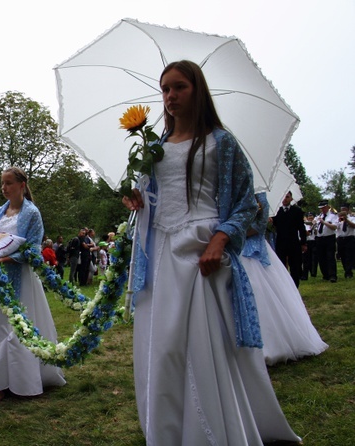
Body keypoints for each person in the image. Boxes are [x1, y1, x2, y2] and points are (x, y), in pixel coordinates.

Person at [123, 61, 299, 444]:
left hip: (203, 251)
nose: (170, 96)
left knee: (205, 346)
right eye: (165, 89)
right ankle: (169, 432)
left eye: (179, 87)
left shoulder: (222, 142)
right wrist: (137, 198)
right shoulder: (152, 148)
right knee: (165, 347)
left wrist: (220, 240)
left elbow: (246, 205)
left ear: (197, 90)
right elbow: (153, 198)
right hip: (161, 255)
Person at [0, 167, 66, 404]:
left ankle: (25, 381)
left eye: (8, 183)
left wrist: (8, 258)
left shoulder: (32, 213)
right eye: (2, 184)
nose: (4, 188)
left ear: (22, 185)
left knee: (21, 328)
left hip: (21, 277)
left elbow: (34, 249)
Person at [241, 193, 328, 365]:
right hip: (237, 247)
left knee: (262, 288)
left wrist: (237, 232)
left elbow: (260, 224)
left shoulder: (260, 197)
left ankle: (273, 343)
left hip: (253, 247)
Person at [271, 191, 307, 287]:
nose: (285, 199)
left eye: (287, 197)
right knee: (281, 265)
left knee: (295, 266)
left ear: (291, 198)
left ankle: (295, 286)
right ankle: (284, 287)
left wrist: (304, 243)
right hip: (280, 242)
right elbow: (273, 226)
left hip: (293, 242)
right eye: (283, 197)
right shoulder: (276, 211)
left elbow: (301, 228)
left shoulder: (297, 211)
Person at [315, 200, 338, 282]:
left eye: (323, 208)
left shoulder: (333, 216)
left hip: (329, 238)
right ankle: (325, 274)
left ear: (327, 207)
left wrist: (324, 222)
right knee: (321, 257)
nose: (322, 210)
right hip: (320, 238)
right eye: (321, 208)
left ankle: (332, 275)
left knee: (330, 256)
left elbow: (334, 227)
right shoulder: (318, 216)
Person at [336, 203, 355, 279]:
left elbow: (353, 226)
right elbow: (336, 227)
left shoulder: (352, 217)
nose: (342, 211)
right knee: (342, 255)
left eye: (344, 210)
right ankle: (346, 270)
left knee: (349, 256)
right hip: (341, 238)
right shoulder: (338, 219)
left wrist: (346, 219)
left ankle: (348, 272)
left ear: (347, 210)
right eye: (341, 210)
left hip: (349, 238)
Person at [302, 212, 317, 280]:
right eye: (309, 216)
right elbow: (307, 233)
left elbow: (317, 233)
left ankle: (313, 273)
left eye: (311, 216)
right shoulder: (305, 224)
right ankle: (305, 275)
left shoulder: (316, 223)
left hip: (314, 241)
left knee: (314, 258)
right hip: (307, 241)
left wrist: (314, 226)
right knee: (306, 259)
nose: (310, 218)